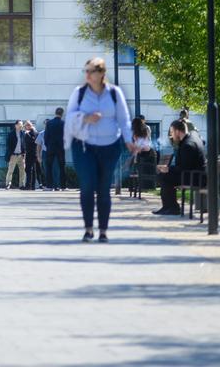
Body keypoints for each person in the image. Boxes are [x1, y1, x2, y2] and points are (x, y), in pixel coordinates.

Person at [66, 57, 132, 241]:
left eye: (91, 71)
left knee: (103, 188)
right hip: (84, 146)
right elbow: (69, 117)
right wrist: (85, 118)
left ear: (101, 73)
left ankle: (103, 231)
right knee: (87, 186)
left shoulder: (114, 93)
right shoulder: (79, 93)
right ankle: (88, 229)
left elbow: (123, 119)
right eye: (85, 71)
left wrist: (128, 141)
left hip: (109, 147)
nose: (87, 74)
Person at [155, 119, 205, 216]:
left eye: (172, 132)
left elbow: (184, 167)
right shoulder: (191, 138)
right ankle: (168, 207)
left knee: (164, 177)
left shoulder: (188, 145)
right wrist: (169, 169)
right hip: (195, 175)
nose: (171, 136)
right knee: (164, 175)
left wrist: (168, 169)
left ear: (178, 131)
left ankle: (172, 208)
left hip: (194, 177)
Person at [128, 116, 155, 194]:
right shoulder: (145, 130)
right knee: (131, 161)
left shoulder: (136, 133)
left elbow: (138, 146)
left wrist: (135, 154)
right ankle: (136, 185)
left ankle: (135, 186)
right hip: (148, 154)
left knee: (131, 163)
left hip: (143, 156)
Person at [44, 107, 67, 190]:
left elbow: (46, 136)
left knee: (49, 167)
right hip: (61, 147)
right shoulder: (63, 123)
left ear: (55, 113)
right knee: (62, 167)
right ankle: (63, 186)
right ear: (62, 114)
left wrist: (47, 145)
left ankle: (49, 186)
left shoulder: (49, 123)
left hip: (51, 147)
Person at [4, 121, 27, 190]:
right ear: (16, 125)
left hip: (21, 155)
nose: (21, 126)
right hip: (13, 155)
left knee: (23, 170)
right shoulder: (11, 134)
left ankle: (22, 184)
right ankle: (8, 184)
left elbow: (24, 144)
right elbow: (8, 145)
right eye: (19, 124)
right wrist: (10, 154)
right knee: (10, 170)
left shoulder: (23, 133)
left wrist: (24, 153)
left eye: (22, 124)